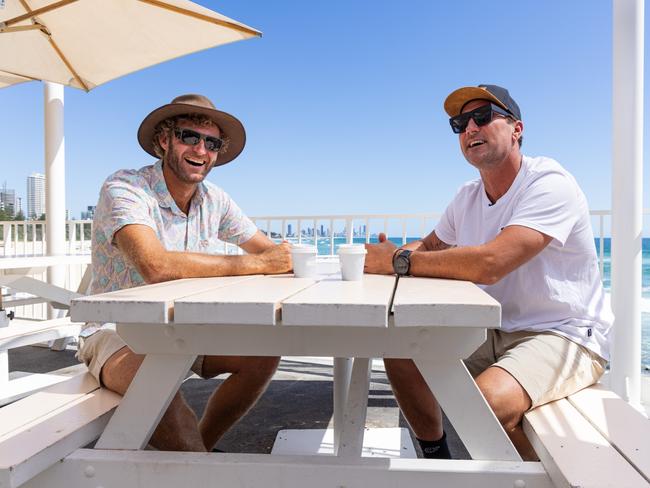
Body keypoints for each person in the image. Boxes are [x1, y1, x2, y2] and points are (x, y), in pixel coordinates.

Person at [364, 84, 613, 460]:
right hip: (492, 328)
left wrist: (399, 262)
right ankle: (436, 458)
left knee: (487, 403)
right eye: (459, 123)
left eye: (482, 117)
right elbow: (430, 247)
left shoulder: (549, 182)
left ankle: (546, 482)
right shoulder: (467, 196)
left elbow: (491, 263)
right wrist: (384, 258)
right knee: (401, 353)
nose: (470, 129)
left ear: (517, 129)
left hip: (564, 333)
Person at [77, 94, 292, 452]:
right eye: (189, 136)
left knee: (263, 354)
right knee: (155, 385)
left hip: (186, 328)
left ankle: (200, 453)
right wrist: (258, 265)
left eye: (212, 142)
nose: (202, 149)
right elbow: (155, 266)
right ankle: (197, 467)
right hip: (116, 332)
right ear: (164, 140)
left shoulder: (214, 199)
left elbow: (265, 249)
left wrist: (289, 257)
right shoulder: (126, 188)